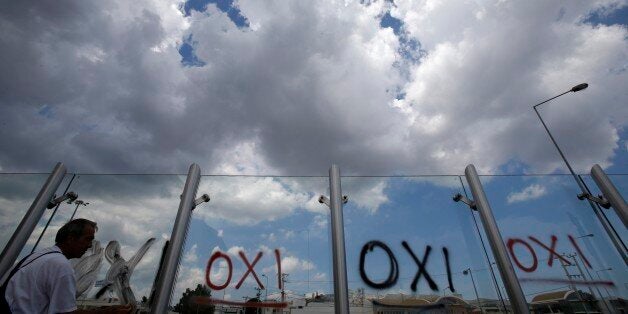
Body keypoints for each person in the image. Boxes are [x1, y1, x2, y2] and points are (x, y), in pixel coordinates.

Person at [4, 218, 132, 313]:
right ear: (71, 238)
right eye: (88, 239)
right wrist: (106, 313)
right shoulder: (60, 266)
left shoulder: (42, 256)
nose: (89, 245)